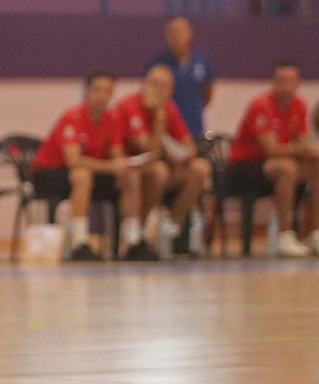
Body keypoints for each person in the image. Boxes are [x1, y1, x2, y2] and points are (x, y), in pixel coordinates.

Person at [31, 72, 140, 261]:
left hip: (92, 173)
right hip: (50, 174)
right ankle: (79, 242)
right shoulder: (72, 116)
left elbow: (117, 155)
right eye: (97, 90)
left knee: (129, 176)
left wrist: (123, 165)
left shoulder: (112, 119)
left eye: (107, 91)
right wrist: (111, 166)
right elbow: (74, 160)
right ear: (87, 92)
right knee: (81, 175)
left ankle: (133, 241)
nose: (102, 95)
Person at [113, 65, 212, 257]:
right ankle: (138, 235)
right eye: (153, 83)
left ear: (171, 90)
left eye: (164, 86)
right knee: (158, 171)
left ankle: (170, 228)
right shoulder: (129, 106)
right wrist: (159, 118)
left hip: (163, 166)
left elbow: (190, 149)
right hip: (132, 170)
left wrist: (178, 155)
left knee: (200, 169)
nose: (158, 89)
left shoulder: (170, 107)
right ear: (144, 84)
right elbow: (149, 151)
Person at [227, 62, 319, 257]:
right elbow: (270, 150)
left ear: (298, 83)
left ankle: (315, 233)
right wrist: (302, 149)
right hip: (246, 168)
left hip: (278, 164)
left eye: (290, 81)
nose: (284, 86)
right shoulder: (261, 104)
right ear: (273, 82)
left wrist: (308, 151)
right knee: (287, 168)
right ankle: (284, 236)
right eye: (280, 80)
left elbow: (301, 144)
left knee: (315, 164)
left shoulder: (299, 105)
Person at [145, 16, 214, 138]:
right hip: (167, 127)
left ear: (190, 34)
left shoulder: (202, 62)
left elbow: (208, 92)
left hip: (195, 125)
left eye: (181, 31)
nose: (178, 36)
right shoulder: (158, 63)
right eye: (173, 32)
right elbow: (150, 94)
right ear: (167, 36)